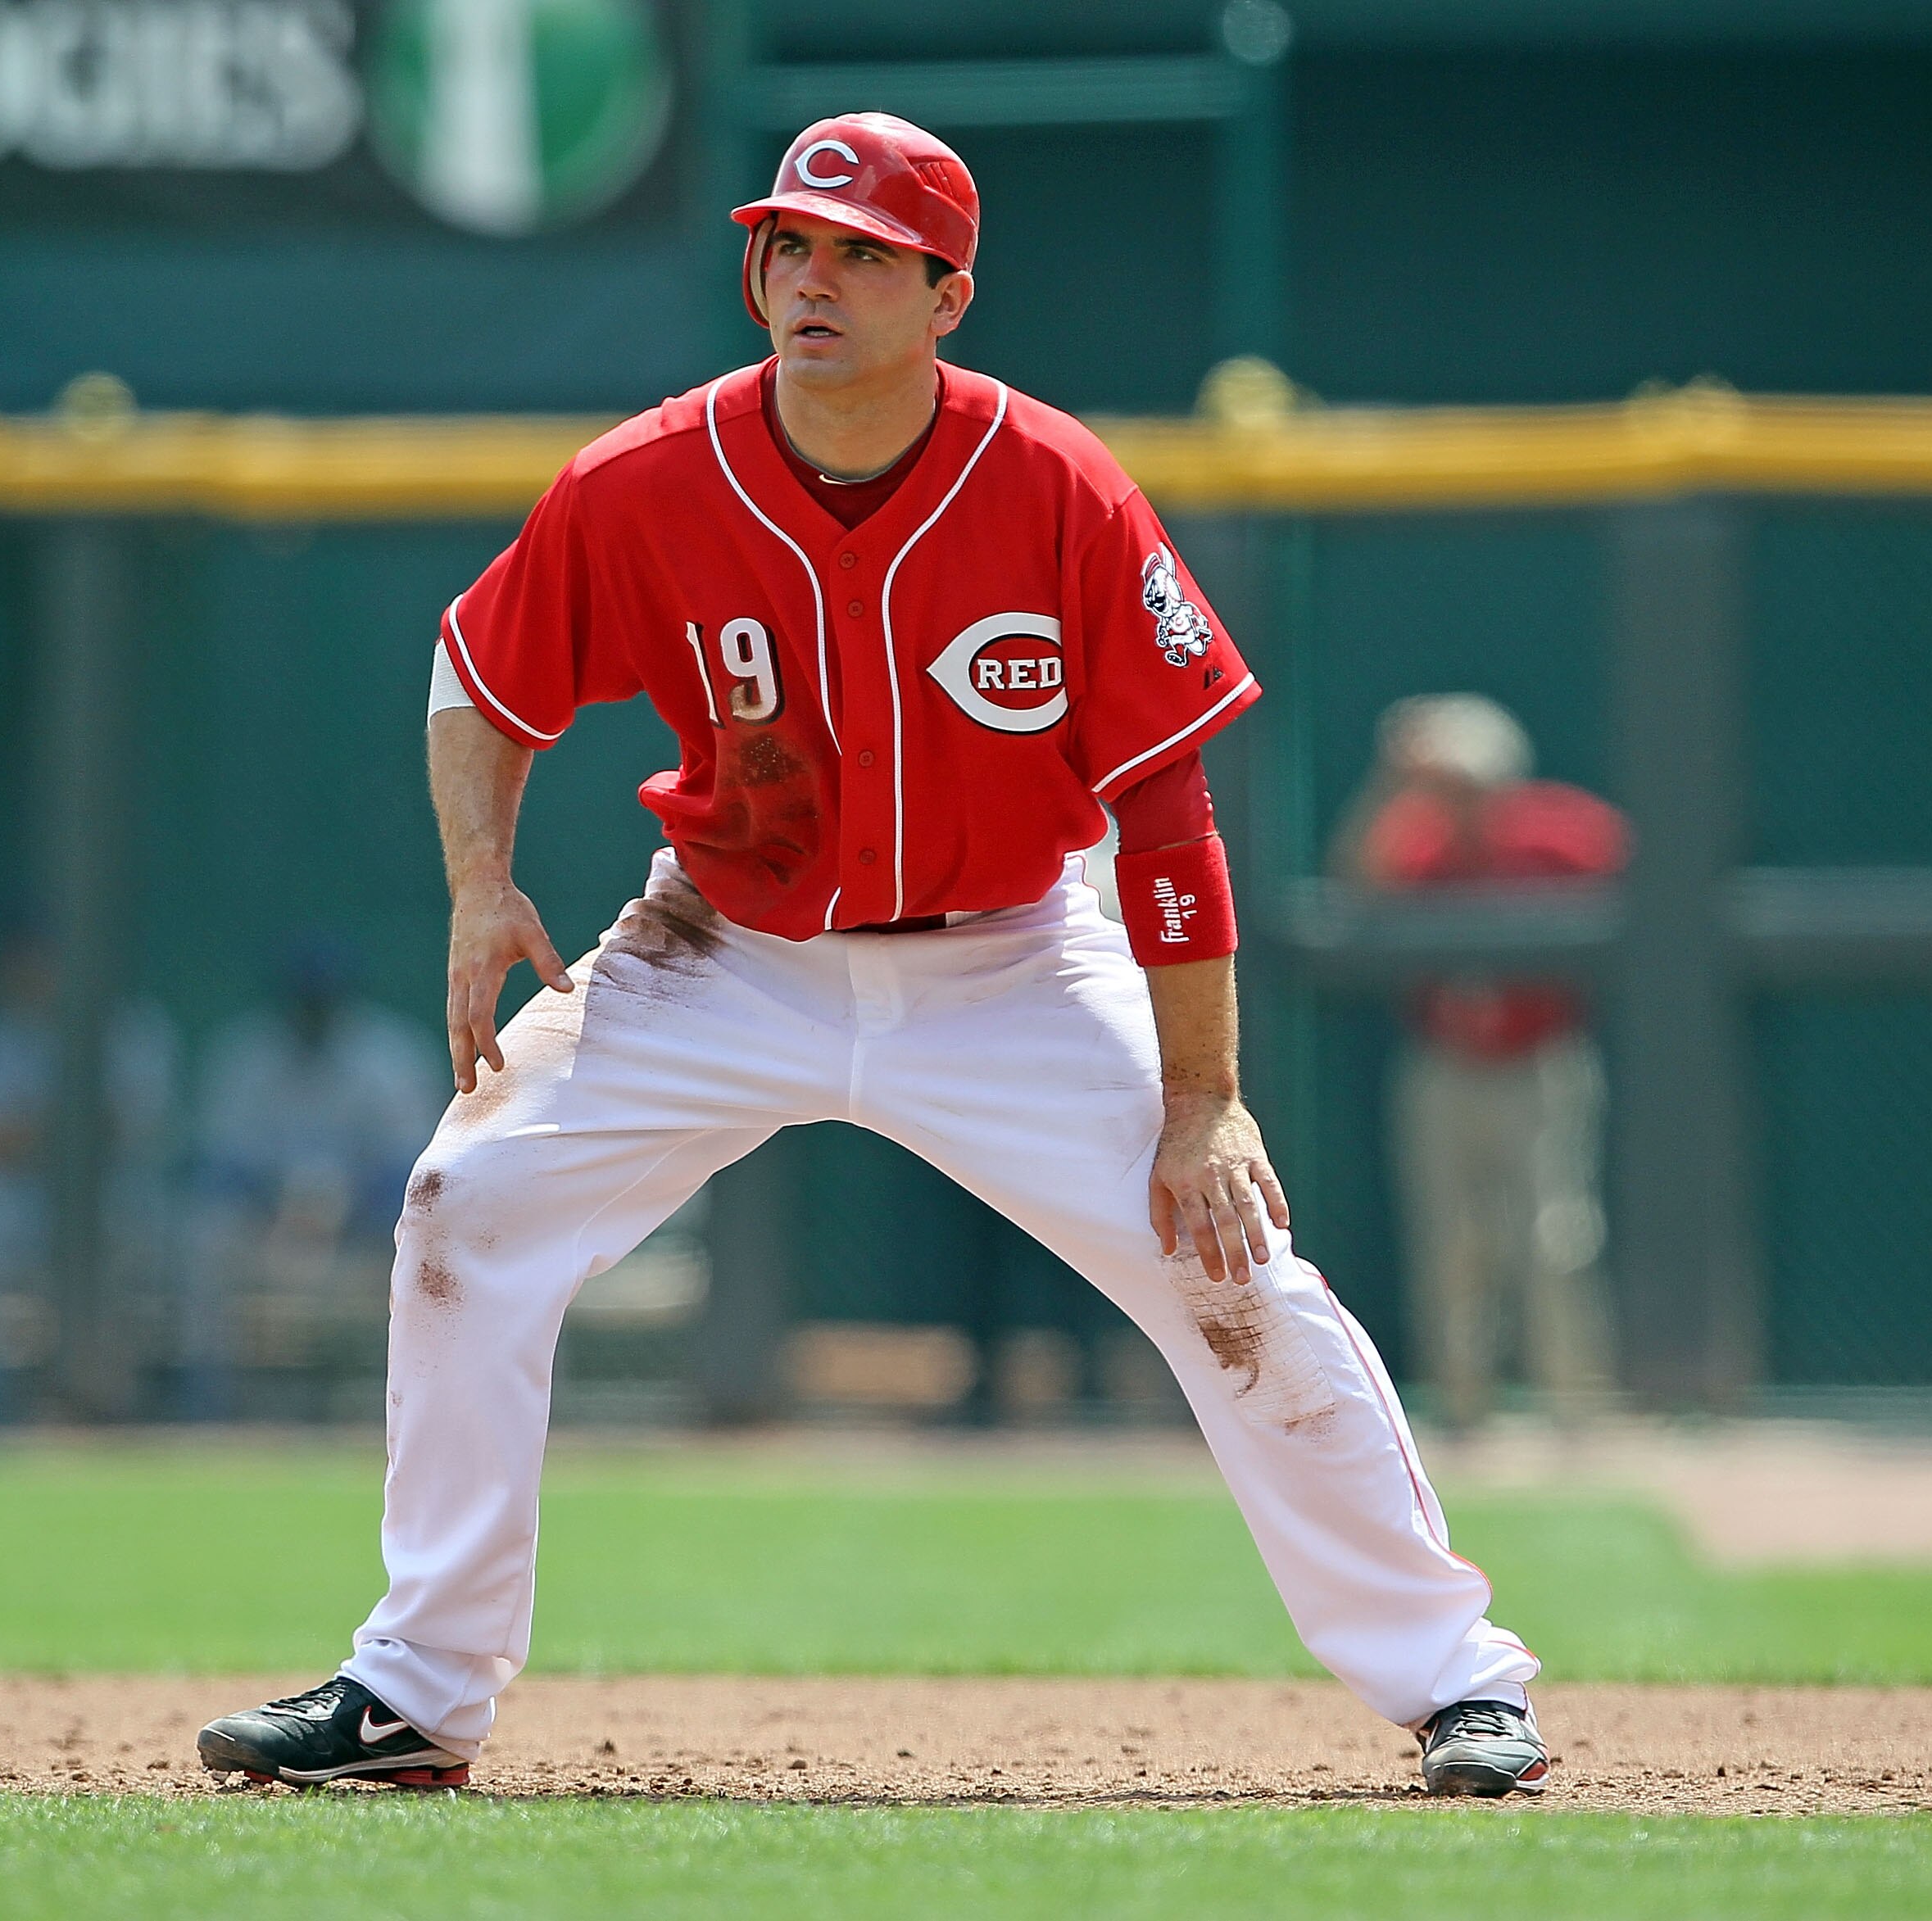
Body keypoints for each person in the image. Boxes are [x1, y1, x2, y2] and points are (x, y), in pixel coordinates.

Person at [199, 116, 1547, 1799]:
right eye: (788, 242)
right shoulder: (648, 476)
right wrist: (482, 876)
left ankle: (1456, 1682)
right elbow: (481, 669)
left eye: (858, 251)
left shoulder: (1057, 485)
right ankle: (415, 1687)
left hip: (1010, 963)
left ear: (948, 294)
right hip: (722, 948)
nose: (810, 275)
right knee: (466, 1207)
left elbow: (1170, 814)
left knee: (1233, 1266)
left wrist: (1205, 1096)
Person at [1332, 695, 1630, 1433]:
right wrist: (1393, 784)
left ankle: (1577, 1407)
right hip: (1445, 1063)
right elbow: (1352, 885)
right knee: (1453, 1241)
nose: (1455, 801)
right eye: (1443, 785)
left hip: (1540, 1064)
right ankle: (1466, 1408)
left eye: (1466, 784)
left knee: (1553, 1235)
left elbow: (1648, 897)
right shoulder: (1419, 840)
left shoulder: (1562, 833)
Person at [0, 914, 177, 1420]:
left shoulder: (129, 1028)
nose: (30, 971)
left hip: (111, 1191)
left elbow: (133, 1124)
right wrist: (60, 1126)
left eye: (41, 958)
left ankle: (127, 1395)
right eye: (17, 959)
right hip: (10, 1195)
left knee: (146, 1226)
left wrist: (34, 1130)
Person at [178, 936, 446, 1418]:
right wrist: (281, 1206)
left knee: (430, 1241)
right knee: (204, 1238)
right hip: (262, 1221)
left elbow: (414, 1169)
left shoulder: (388, 1056)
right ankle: (209, 1406)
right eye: (305, 997)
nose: (314, 1008)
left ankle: (405, 1406)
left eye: (323, 997)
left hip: (365, 1224)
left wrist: (339, 1209)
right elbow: (219, 1164)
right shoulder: (247, 1055)